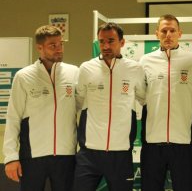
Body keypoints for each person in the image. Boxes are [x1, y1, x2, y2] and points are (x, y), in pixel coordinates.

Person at [3, 25, 78, 191]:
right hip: (33, 156)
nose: (59, 49)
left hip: (66, 155)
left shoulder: (74, 73)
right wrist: (10, 157)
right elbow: (13, 117)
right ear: (39, 47)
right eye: (53, 45)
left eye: (61, 44)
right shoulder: (23, 76)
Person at [73, 22, 146, 191]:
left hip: (120, 153)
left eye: (111, 41)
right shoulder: (86, 68)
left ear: (122, 42)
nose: (105, 46)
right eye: (101, 41)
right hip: (89, 153)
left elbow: (143, 98)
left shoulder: (135, 69)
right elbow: (78, 102)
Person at [139, 14, 192, 191]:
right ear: (156, 33)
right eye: (164, 31)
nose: (168, 35)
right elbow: (142, 96)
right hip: (153, 143)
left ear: (180, 33)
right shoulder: (145, 61)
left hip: (183, 143)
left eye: (172, 30)